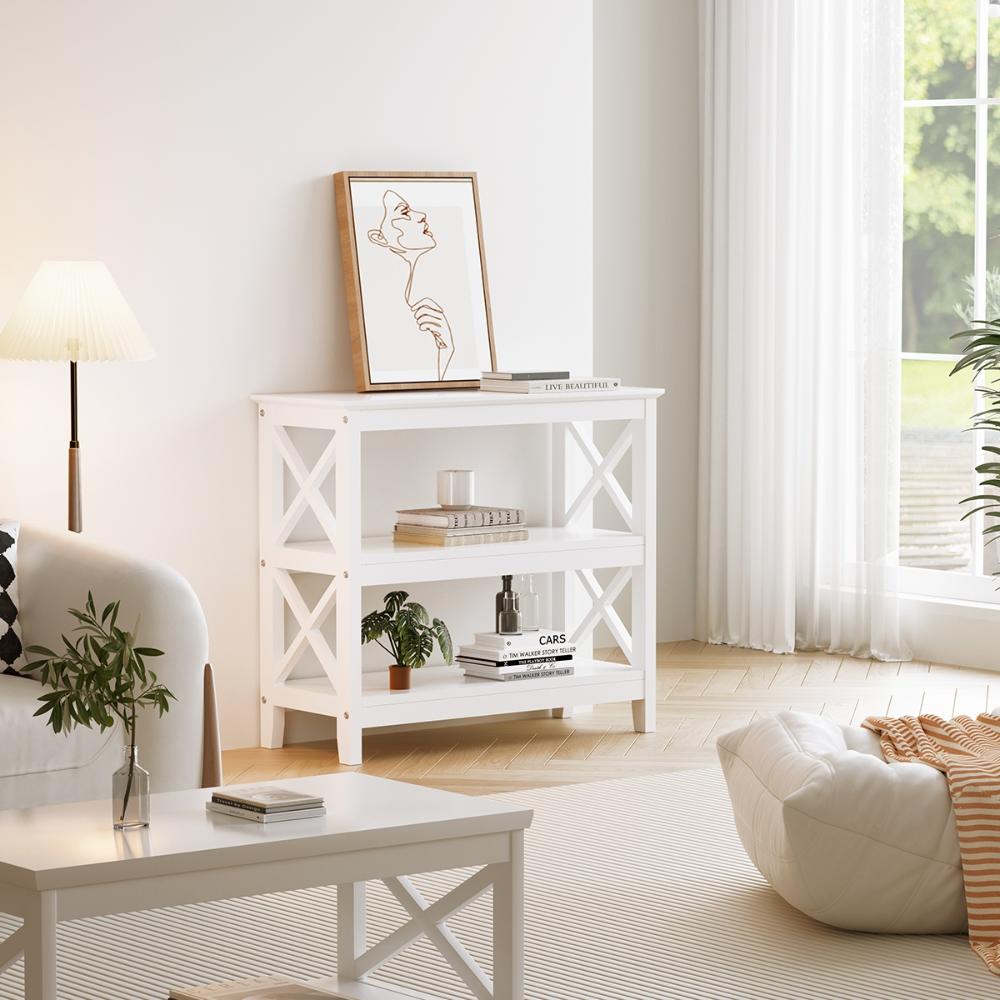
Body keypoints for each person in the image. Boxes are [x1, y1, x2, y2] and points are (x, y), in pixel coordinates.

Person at [368, 189, 456, 380]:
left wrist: (446, 346)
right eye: (404, 213)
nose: (421, 215)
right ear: (379, 237)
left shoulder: (415, 297)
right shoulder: (386, 311)